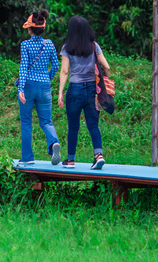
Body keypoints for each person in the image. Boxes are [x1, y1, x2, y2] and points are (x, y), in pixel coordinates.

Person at [57, 16, 111, 169]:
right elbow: (106, 66)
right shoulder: (94, 46)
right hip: (93, 91)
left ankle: (70, 160)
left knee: (73, 126)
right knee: (93, 125)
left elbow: (65, 71)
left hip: (74, 90)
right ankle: (98, 155)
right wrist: (104, 81)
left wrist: (60, 92)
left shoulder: (67, 48)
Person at [16, 9, 61, 165]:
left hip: (28, 85)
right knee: (46, 121)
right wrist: (46, 78)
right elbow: (55, 65)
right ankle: (54, 142)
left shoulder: (25, 45)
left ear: (30, 29)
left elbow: (23, 67)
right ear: (43, 28)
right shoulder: (49, 44)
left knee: (26, 122)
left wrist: (21, 88)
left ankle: (27, 158)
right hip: (44, 86)